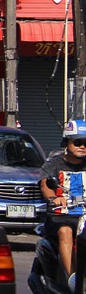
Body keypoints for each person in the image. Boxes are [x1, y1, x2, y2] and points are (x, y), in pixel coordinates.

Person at [40, 120, 86, 283]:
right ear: (67, 142)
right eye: (78, 142)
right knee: (65, 232)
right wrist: (54, 197)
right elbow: (45, 185)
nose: (82, 146)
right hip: (62, 217)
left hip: (84, 218)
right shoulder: (54, 164)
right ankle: (72, 279)